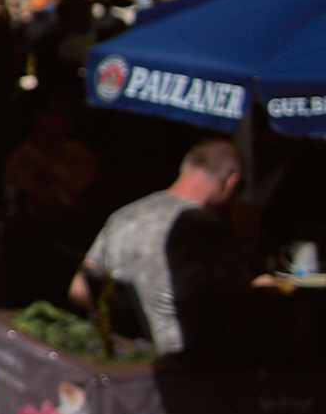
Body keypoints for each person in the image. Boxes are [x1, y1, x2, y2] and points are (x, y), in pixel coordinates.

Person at [70, 132, 244, 355]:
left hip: (126, 355)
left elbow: (79, 289)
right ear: (231, 181)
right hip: (186, 362)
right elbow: (239, 309)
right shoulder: (208, 229)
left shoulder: (125, 215)